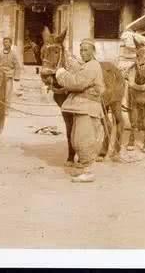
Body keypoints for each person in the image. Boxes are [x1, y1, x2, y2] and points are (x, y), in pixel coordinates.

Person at [55, 38, 105, 183]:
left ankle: (88, 172)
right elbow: (77, 73)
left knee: (84, 139)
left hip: (88, 108)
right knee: (76, 138)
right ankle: (84, 169)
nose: (82, 53)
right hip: (81, 107)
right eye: (81, 50)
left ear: (93, 52)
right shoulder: (86, 65)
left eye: (86, 50)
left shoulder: (93, 66)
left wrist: (61, 75)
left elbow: (78, 83)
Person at [0, 37, 22, 113]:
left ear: (10, 43)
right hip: (0, 76)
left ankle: (6, 110)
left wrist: (17, 76)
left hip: (9, 77)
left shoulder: (13, 54)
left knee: (7, 94)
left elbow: (17, 65)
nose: (5, 43)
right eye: (4, 42)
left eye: (7, 42)